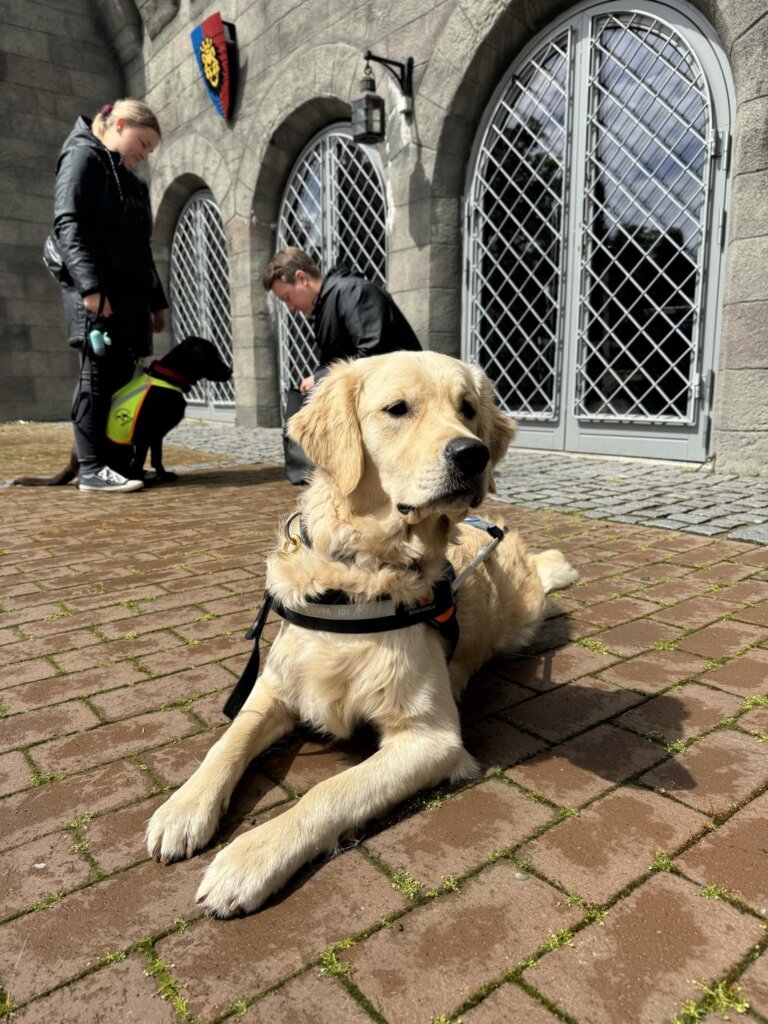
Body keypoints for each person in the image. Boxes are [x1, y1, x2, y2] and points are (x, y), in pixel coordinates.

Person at [52, 99, 168, 493]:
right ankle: (90, 469)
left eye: (151, 149)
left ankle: (116, 464)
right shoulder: (84, 156)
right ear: (119, 124)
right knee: (96, 378)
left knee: (121, 380)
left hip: (127, 298)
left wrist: (156, 299)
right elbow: (70, 224)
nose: (145, 153)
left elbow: (140, 247)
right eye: (143, 142)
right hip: (99, 295)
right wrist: (91, 289)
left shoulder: (126, 176)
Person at [262, 247, 421, 394]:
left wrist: (319, 379)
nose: (290, 308)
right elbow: (335, 361)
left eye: (287, 298)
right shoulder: (327, 304)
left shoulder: (352, 291)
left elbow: (373, 354)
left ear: (302, 278)